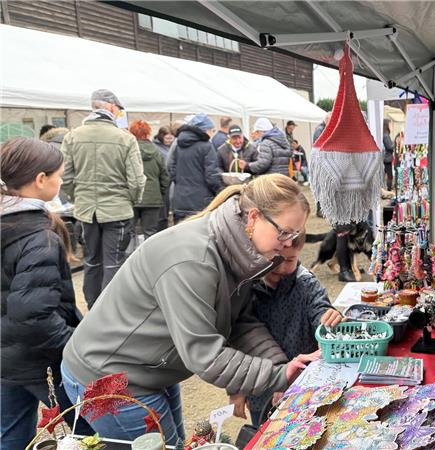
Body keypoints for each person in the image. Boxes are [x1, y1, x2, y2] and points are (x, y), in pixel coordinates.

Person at [60, 174, 323, 445]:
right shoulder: (193, 260)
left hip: (150, 369)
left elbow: (240, 323)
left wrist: (283, 367)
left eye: (296, 235)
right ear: (254, 217)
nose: (289, 244)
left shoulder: (240, 252)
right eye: (285, 233)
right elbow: (204, 354)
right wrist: (277, 376)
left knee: (176, 442)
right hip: (109, 378)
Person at [0, 138, 93, 448]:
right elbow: (33, 315)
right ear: (41, 180)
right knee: (91, 432)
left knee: (10, 436)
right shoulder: (38, 237)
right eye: (60, 175)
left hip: (6, 357)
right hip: (40, 360)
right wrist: (75, 346)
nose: (62, 180)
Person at [245, 234, 344, 423]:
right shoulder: (245, 290)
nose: (282, 268)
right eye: (275, 260)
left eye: (290, 260)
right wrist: (237, 389)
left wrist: (328, 318)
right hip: (260, 389)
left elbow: (320, 310)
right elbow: (238, 342)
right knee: (264, 431)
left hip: (304, 384)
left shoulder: (306, 284)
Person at [60, 89, 145, 309]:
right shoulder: (125, 138)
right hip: (117, 209)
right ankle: (109, 310)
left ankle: (93, 305)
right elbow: (137, 181)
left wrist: (78, 196)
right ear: (110, 107)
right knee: (114, 262)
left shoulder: (72, 136)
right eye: (117, 109)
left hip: (86, 210)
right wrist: (130, 200)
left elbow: (66, 177)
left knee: (92, 261)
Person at [168, 113, 222, 222]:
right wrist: (220, 190)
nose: (212, 134)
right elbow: (211, 175)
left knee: (180, 235)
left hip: (180, 200)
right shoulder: (206, 146)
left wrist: (181, 182)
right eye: (212, 130)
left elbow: (170, 167)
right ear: (205, 130)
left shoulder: (178, 144)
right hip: (201, 202)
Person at [129, 120, 169, 241]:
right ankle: (148, 259)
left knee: (129, 232)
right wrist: (159, 192)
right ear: (148, 134)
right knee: (150, 233)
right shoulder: (157, 152)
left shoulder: (128, 151)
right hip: (153, 198)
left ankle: (128, 258)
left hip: (131, 197)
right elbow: (165, 177)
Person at [382, 119, 395, 190]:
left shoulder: (385, 134)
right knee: (390, 176)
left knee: (385, 175)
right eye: (390, 124)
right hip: (387, 158)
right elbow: (390, 146)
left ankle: (386, 188)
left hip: (386, 158)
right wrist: (396, 143)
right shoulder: (386, 135)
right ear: (386, 125)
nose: (391, 126)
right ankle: (388, 189)